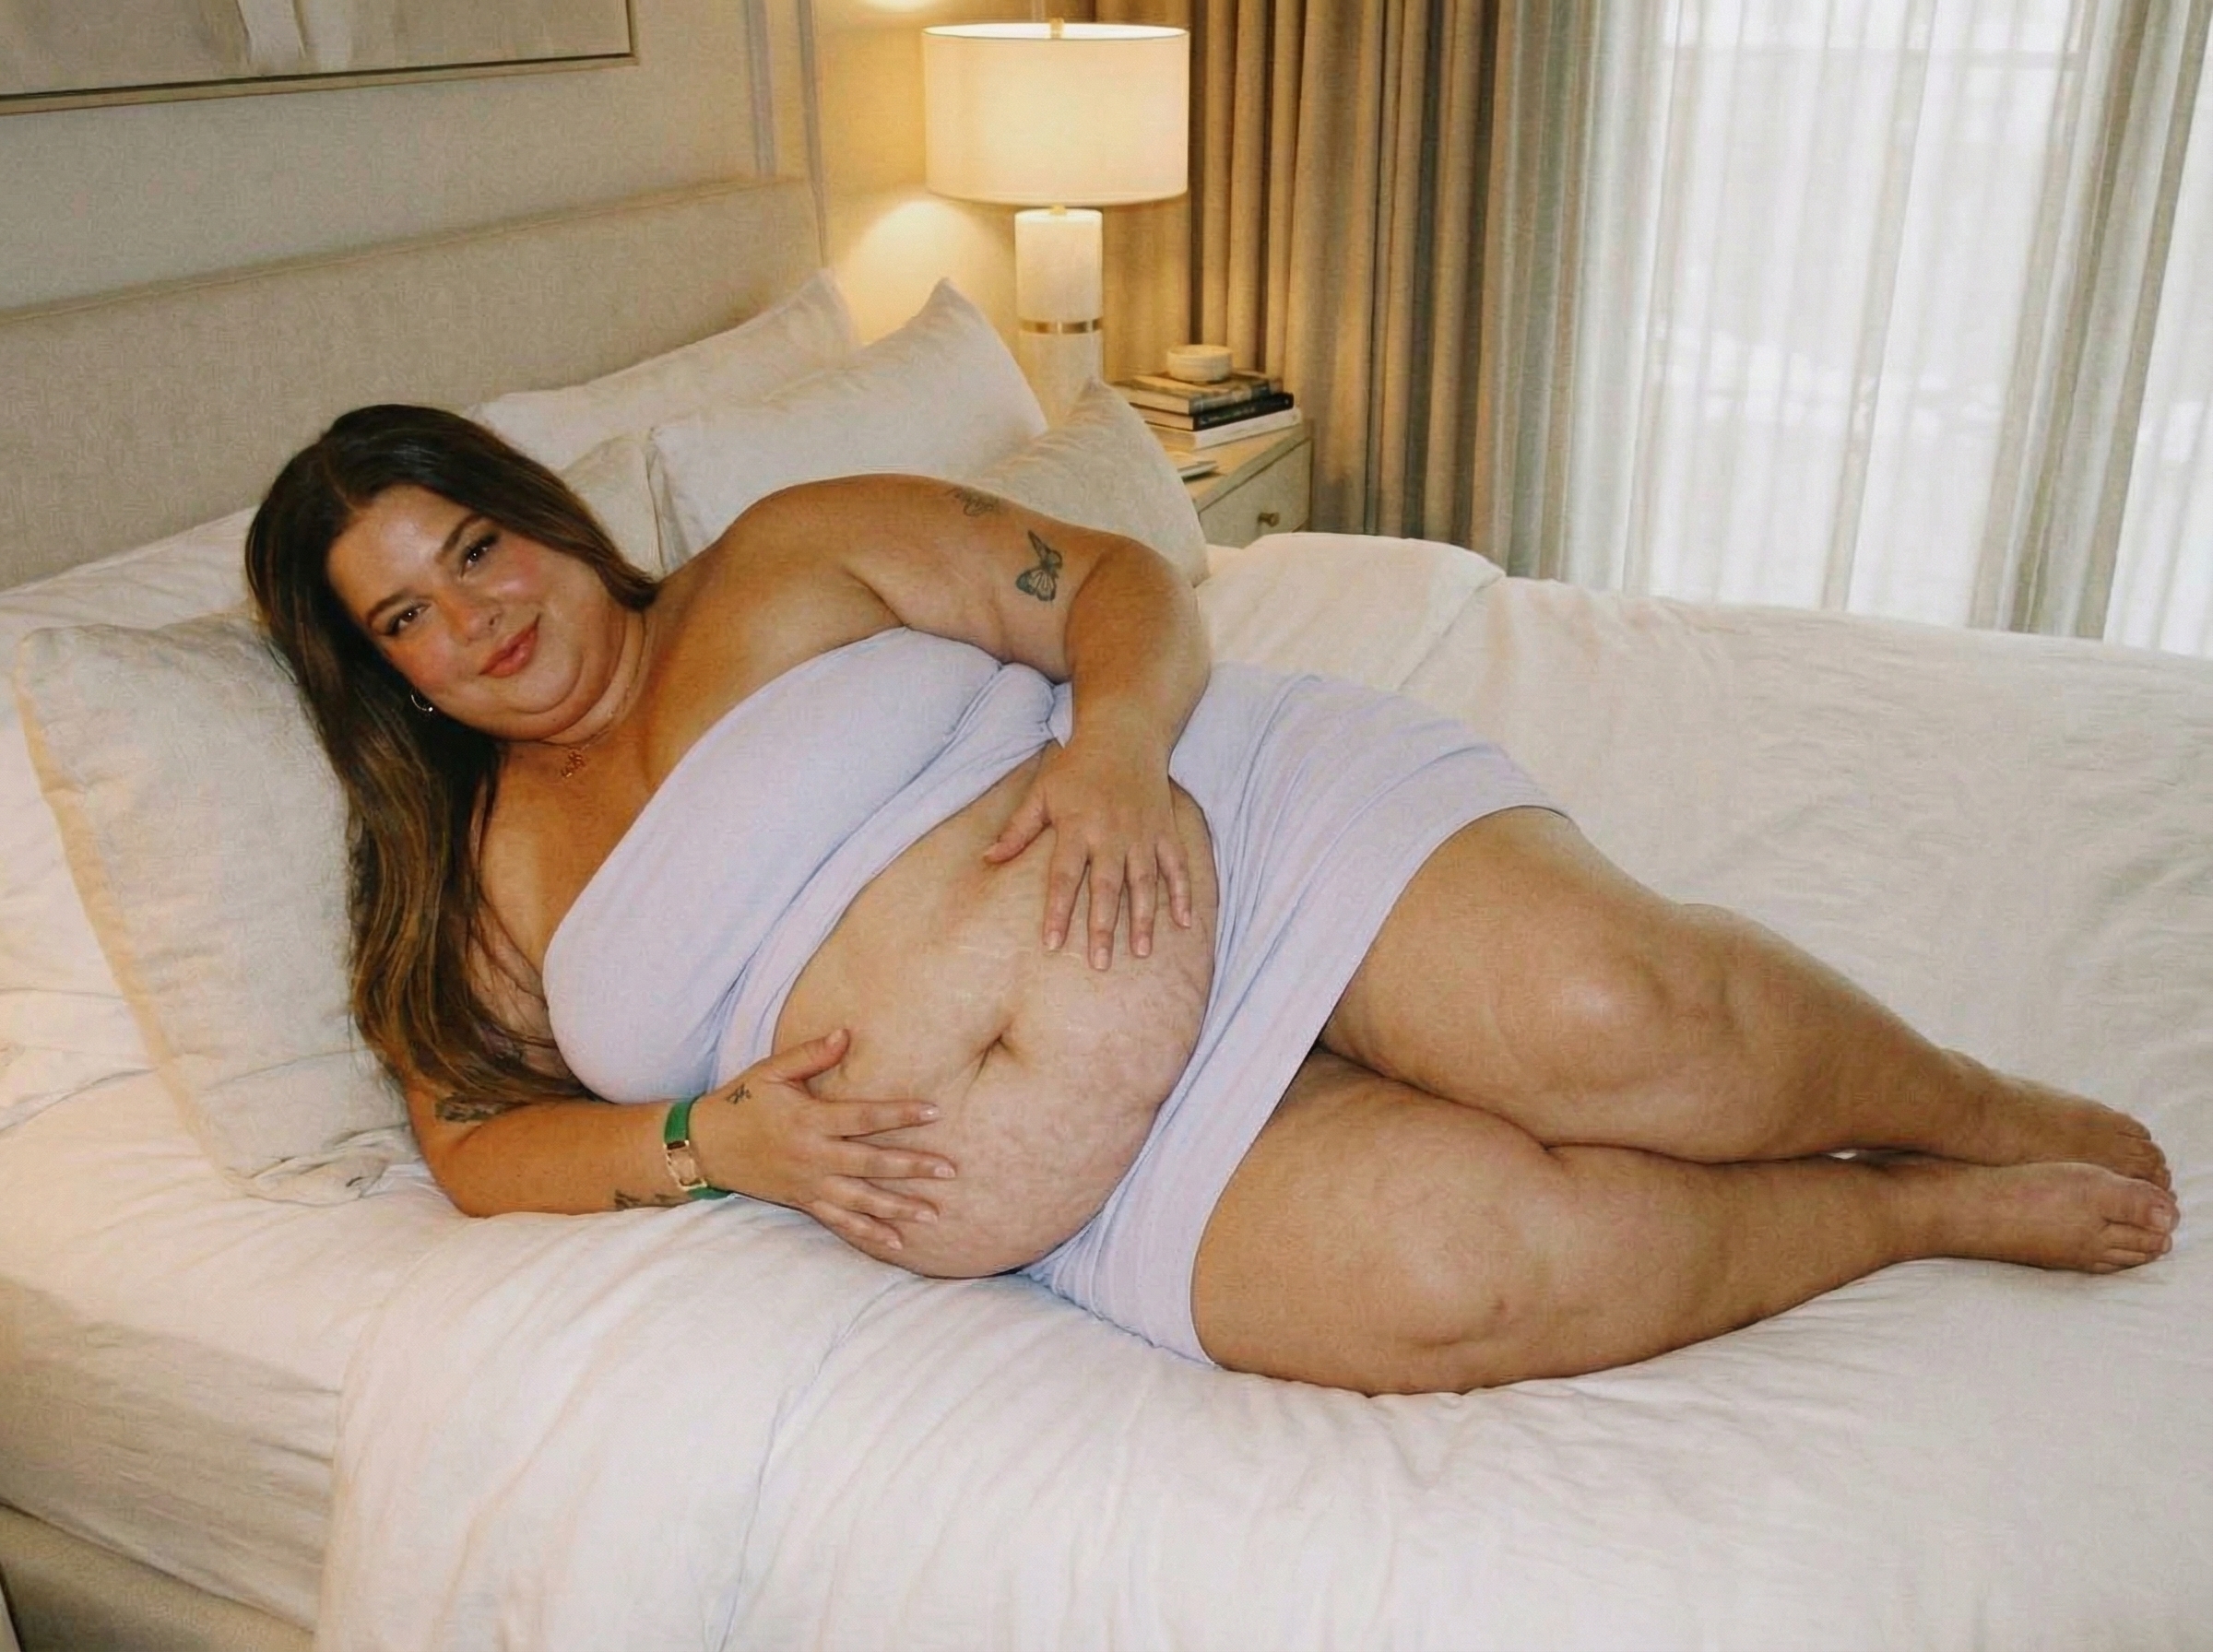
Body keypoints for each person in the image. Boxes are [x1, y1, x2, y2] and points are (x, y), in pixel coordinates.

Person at [247, 405, 2178, 1396]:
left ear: (540, 515)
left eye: (477, 548)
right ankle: (1906, 1209)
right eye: (407, 615)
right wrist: (707, 1143)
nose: (477, 619)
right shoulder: (473, 883)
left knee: (1623, 1021)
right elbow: (474, 1146)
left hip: (1210, 819)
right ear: (382, 674)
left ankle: (1964, 1105)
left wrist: (1112, 746)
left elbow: (1117, 577)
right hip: (1092, 1165)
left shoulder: (785, 553)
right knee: (1470, 1277)